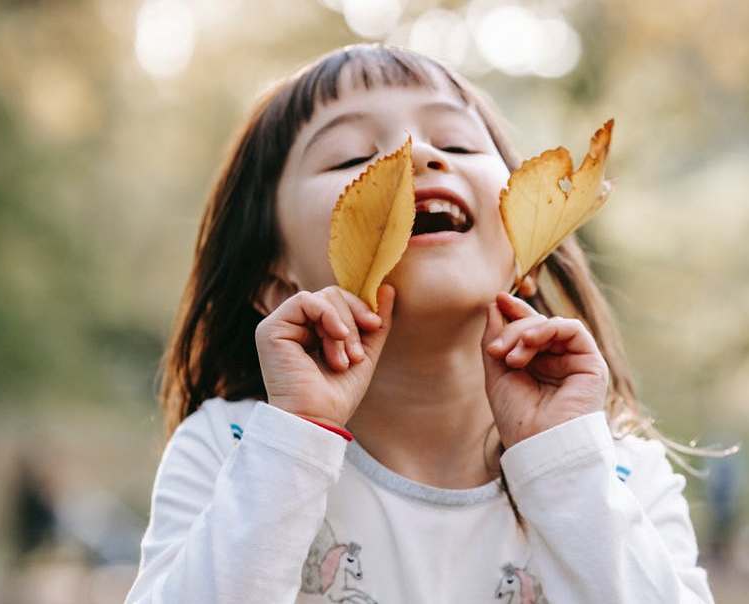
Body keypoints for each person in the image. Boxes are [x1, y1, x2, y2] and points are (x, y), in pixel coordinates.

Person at [124, 42, 718, 603]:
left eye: (457, 143)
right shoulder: (232, 448)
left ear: (529, 252)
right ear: (278, 284)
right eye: (351, 157)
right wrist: (296, 439)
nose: (418, 155)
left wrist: (562, 461)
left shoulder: (619, 473)